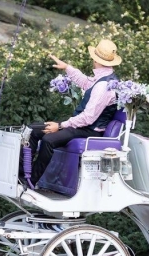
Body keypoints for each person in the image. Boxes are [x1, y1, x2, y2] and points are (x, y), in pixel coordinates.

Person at [27, 39, 122, 186]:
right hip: (83, 126)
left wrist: (60, 126)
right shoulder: (103, 77)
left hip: (90, 130)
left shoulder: (103, 86)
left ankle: (31, 181)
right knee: (34, 130)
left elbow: (88, 118)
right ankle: (24, 172)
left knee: (48, 140)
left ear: (95, 59)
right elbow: (85, 82)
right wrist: (67, 67)